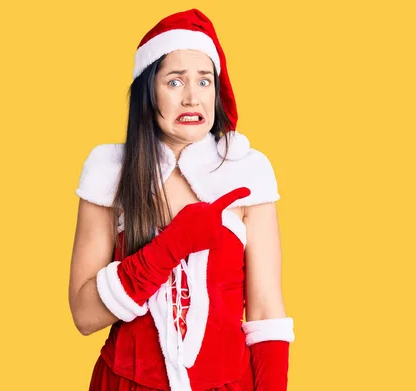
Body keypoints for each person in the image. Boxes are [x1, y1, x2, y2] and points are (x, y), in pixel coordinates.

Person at [68, 8, 295, 391]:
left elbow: (266, 311)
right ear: (148, 91)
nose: (192, 98)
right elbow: (85, 315)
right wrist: (172, 245)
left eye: (204, 81)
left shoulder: (247, 171)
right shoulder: (110, 172)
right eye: (174, 82)